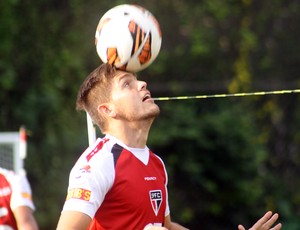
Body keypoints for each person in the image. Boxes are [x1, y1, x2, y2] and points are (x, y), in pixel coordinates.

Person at [57, 63, 281, 230]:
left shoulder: (156, 164)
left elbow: (166, 226)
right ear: (107, 110)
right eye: (127, 84)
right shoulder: (97, 163)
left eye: (138, 80)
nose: (142, 84)